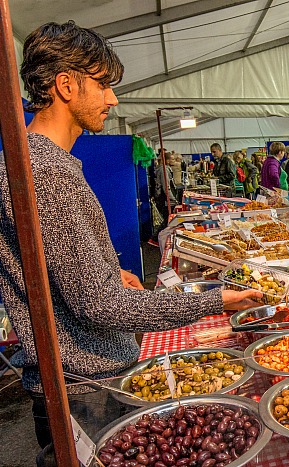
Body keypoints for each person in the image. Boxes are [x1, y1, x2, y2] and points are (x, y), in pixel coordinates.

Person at [0, 21, 262, 458]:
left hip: (73, 381)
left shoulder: (34, 162)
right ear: (66, 85)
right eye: (102, 84)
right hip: (86, 390)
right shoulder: (48, 175)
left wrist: (105, 272)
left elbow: (60, 273)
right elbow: (100, 306)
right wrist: (218, 300)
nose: (113, 98)